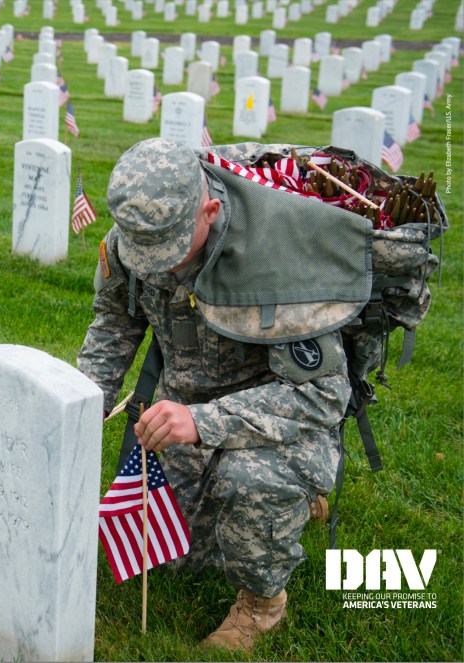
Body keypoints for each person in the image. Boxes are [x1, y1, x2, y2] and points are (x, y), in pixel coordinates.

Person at [77, 138, 349, 652]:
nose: (158, 268)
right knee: (177, 561)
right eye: (146, 255)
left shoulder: (276, 257)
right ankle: (290, 505)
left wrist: (203, 422)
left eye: (171, 251)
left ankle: (263, 605)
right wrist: (82, 406)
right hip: (182, 415)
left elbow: (322, 394)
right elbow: (114, 323)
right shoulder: (137, 236)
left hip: (276, 425)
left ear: (211, 211)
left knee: (249, 484)